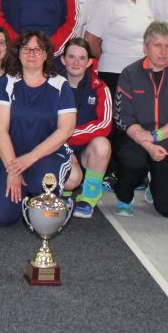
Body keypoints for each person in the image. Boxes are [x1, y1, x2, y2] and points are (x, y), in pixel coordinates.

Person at [0, 30, 82, 226]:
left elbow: (65, 130)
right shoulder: (7, 82)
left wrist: (30, 158)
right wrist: (14, 171)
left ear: (46, 54)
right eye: (26, 49)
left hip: (47, 155)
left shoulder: (60, 84)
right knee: (0, 217)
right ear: (18, 53)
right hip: (11, 157)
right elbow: (0, 131)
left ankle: (41, 194)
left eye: (37, 49)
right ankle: (25, 195)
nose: (31, 54)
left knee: (42, 188)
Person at [113, 21, 168, 218]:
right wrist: (149, 144)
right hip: (137, 138)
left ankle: (155, 183)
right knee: (132, 162)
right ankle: (125, 197)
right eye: (157, 45)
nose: (163, 51)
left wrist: (156, 136)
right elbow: (123, 117)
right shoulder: (130, 73)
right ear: (145, 47)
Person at [85, 0, 152, 94]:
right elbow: (90, 40)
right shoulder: (105, 4)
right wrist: (110, 56)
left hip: (143, 71)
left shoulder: (144, 0)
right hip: (114, 73)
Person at [61, 38, 113, 219]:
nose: (76, 62)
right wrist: (64, 146)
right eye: (71, 57)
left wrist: (67, 136)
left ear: (90, 62)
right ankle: (64, 194)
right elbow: (44, 123)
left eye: (82, 58)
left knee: (102, 145)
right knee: (70, 180)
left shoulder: (100, 88)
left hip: (84, 150)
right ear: (63, 59)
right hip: (58, 147)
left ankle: (88, 199)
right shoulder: (51, 84)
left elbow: (104, 125)